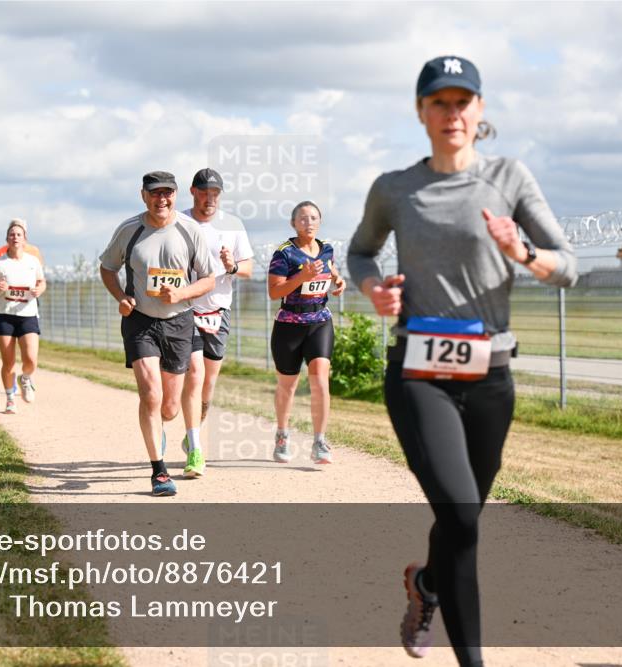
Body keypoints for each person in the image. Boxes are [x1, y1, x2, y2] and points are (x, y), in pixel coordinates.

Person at [347, 55, 577, 667]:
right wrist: (373, 290)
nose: (452, 113)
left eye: (462, 102)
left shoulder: (509, 178)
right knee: (461, 517)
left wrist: (521, 249)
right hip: (420, 372)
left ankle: (426, 586)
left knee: (463, 515)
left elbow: (567, 267)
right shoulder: (394, 188)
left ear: (480, 112)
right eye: (439, 103)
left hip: (490, 375)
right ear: (421, 113)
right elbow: (360, 253)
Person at [99, 171, 215, 496]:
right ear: (143, 196)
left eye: (167, 193)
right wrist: (121, 297)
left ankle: (163, 428)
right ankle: (159, 471)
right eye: (155, 193)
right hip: (140, 321)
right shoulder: (129, 229)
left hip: (179, 321)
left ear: (176, 196)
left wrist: (181, 294)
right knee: (150, 394)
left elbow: (208, 278)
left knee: (170, 407)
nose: (161, 199)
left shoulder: (190, 231)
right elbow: (107, 268)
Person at [176, 168, 254, 477]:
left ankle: (191, 429)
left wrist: (232, 266)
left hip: (219, 310)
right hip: (186, 309)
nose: (210, 199)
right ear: (193, 192)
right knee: (194, 376)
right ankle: (196, 450)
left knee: (208, 384)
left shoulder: (232, 225)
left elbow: (248, 267)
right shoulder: (179, 222)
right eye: (205, 192)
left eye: (215, 194)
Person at [267, 201, 345, 465]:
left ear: (319, 222)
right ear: (293, 224)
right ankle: (282, 435)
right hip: (289, 325)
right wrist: (302, 277)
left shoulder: (326, 249)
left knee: (320, 379)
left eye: (313, 218)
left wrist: (338, 280)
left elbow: (330, 268)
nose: (308, 222)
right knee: (287, 387)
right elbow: (274, 292)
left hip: (319, 322)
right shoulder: (284, 254)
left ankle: (320, 441)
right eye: (302, 218)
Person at [0, 219, 46, 414]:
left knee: (31, 360)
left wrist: (38, 290)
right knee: (8, 362)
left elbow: (42, 282)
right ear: (7, 239)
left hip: (28, 315)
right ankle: (10, 397)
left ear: (24, 239)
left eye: (19, 234)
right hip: (5, 316)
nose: (15, 237)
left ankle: (25, 378)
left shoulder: (32, 262)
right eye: (12, 234)